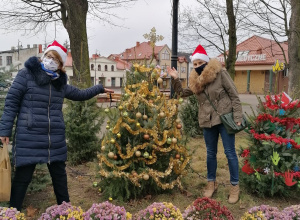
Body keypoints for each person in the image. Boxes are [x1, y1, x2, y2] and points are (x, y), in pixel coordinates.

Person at [0, 40, 114, 210]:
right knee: (22, 179)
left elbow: (80, 94)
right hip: (29, 137)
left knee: (60, 179)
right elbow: (11, 103)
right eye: (48, 56)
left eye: (55, 59)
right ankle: (12, 213)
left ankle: (67, 212)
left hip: (54, 139)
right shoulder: (26, 75)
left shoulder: (59, 84)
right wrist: (4, 130)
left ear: (60, 65)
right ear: (43, 57)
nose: (50, 60)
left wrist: (99, 88)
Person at [167, 44, 242, 204]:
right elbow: (181, 93)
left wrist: (238, 116)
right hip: (207, 121)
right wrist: (175, 78)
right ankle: (211, 183)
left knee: (230, 153)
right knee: (210, 153)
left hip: (225, 118)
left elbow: (234, 95)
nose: (197, 66)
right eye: (194, 64)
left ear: (206, 62)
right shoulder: (196, 81)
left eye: (200, 62)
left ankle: (235, 186)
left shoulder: (220, 73)